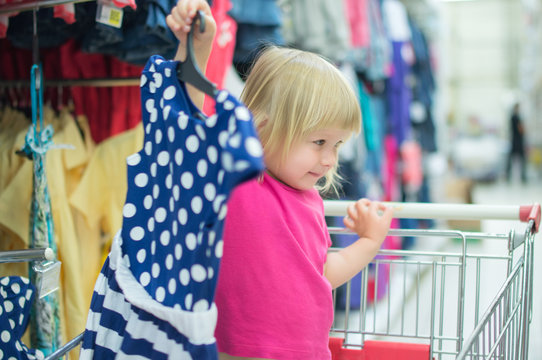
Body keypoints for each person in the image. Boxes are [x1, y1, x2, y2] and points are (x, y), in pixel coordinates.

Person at [169, 2, 393, 359]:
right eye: (319, 142)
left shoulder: (310, 201)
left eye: (336, 145)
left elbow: (317, 276)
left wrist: (368, 242)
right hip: (232, 350)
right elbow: (184, 118)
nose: (330, 159)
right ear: (261, 127)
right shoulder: (241, 181)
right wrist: (196, 46)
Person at [506, 102, 527, 183]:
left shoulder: (513, 117)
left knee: (511, 159)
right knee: (521, 158)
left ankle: (508, 175)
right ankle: (523, 176)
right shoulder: (516, 118)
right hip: (517, 141)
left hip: (514, 141)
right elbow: (521, 129)